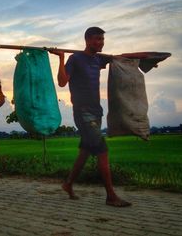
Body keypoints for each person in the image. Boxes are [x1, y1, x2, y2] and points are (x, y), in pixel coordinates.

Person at [50, 26, 132, 207]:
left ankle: (68, 184)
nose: (101, 42)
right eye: (97, 39)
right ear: (87, 40)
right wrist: (62, 58)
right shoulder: (75, 59)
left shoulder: (98, 59)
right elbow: (63, 82)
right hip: (83, 112)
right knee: (102, 151)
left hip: (97, 111)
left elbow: (123, 58)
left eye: (102, 39)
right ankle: (110, 196)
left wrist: (149, 61)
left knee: (85, 152)